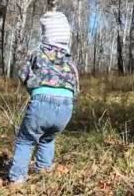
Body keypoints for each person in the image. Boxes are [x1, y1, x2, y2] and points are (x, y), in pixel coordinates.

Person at [8, 11, 80, 184]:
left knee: (26, 140)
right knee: (48, 138)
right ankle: (44, 173)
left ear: (46, 36)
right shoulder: (70, 63)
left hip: (42, 103)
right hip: (66, 106)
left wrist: (34, 88)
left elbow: (22, 73)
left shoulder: (37, 55)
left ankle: (17, 179)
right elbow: (76, 88)